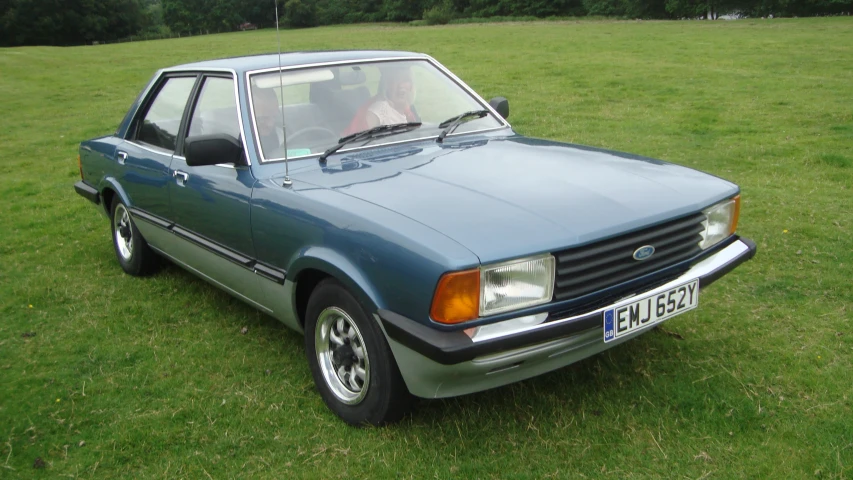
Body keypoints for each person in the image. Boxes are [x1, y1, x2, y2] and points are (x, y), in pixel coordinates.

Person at [343, 65, 419, 135]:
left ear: (411, 85)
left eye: (405, 80)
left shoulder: (407, 109)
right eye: (395, 80)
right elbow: (361, 139)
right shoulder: (379, 109)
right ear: (387, 85)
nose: (401, 85)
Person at [252, 87, 285, 159]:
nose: (271, 124)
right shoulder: (243, 145)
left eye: (274, 116)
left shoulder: (282, 134)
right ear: (250, 115)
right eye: (263, 118)